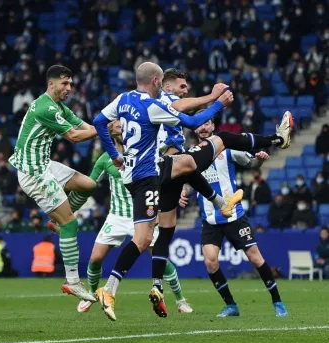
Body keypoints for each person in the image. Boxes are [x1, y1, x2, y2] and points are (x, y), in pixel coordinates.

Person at [92, 62, 245, 321]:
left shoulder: (123, 99)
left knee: (184, 170)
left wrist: (114, 155)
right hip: (147, 177)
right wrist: (219, 105)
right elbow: (193, 120)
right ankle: (109, 289)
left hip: (129, 175)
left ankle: (109, 290)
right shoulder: (154, 107)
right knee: (143, 238)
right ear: (155, 82)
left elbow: (98, 121)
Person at [76, 120, 192, 314]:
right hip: (117, 216)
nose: (124, 129)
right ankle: (90, 294)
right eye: (119, 127)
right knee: (95, 258)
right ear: (112, 132)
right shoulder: (106, 159)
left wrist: (176, 191)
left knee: (160, 258)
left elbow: (164, 174)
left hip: (142, 213)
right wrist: (71, 206)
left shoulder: (144, 153)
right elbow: (89, 184)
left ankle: (181, 300)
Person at [179, 119, 288, 318]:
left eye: (207, 124)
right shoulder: (191, 155)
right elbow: (187, 182)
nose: (203, 128)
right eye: (200, 124)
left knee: (255, 258)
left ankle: (277, 301)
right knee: (210, 263)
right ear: (195, 128)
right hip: (210, 219)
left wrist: (260, 159)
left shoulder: (226, 148)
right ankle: (231, 305)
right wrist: (183, 192)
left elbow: (251, 163)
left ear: (213, 126)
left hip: (234, 216)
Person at [8, 65, 98, 302]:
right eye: (65, 83)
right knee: (71, 223)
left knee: (89, 185)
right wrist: (104, 129)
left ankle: (57, 222)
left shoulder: (59, 107)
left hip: (45, 165)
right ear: (52, 84)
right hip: (33, 173)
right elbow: (75, 137)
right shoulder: (45, 107)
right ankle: (72, 281)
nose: (69, 88)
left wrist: (105, 130)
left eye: (71, 84)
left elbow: (85, 127)